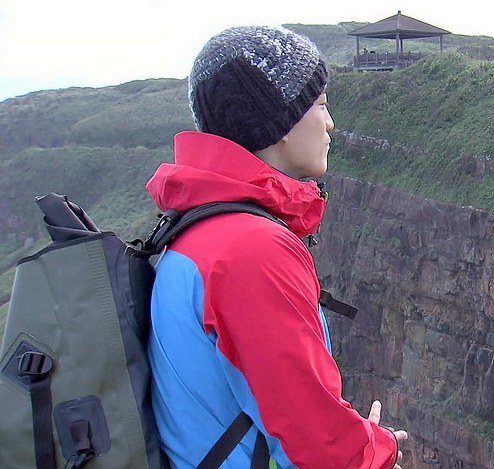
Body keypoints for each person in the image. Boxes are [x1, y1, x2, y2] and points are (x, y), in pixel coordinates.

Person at [145, 25, 407, 468]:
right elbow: (316, 443)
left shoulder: (204, 229)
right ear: (280, 123)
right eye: (320, 104)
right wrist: (377, 455)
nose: (330, 123)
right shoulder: (250, 250)